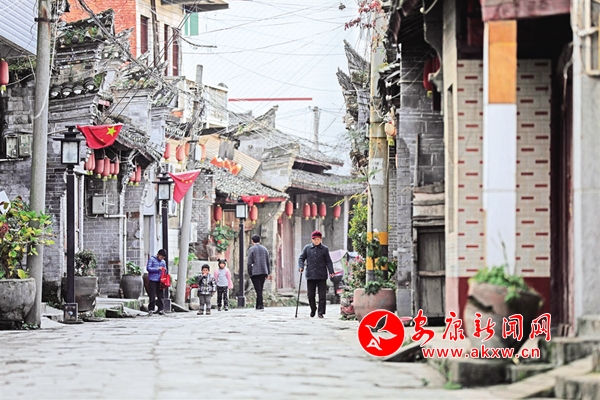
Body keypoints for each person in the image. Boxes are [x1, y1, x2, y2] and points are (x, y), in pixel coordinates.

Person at [298, 230, 334, 318]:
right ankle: (313, 309)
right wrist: (301, 266)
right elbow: (301, 258)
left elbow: (328, 261)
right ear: (312, 239)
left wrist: (331, 271)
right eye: (314, 239)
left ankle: (320, 312)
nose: (316, 241)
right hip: (310, 274)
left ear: (321, 239)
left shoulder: (324, 249)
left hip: (321, 275)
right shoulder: (307, 248)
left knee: (322, 295)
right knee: (310, 295)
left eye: (318, 239)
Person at [247, 234, 271, 311]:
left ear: (252, 241)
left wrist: (249, 272)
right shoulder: (265, 249)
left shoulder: (251, 249)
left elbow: (249, 262)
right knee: (260, 288)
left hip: (255, 272)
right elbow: (268, 261)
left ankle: (260, 305)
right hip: (263, 271)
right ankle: (258, 305)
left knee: (258, 289)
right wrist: (268, 272)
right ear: (259, 240)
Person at [146, 249, 167, 316]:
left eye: (163, 258)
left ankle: (161, 309)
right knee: (152, 295)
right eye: (161, 257)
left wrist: (164, 270)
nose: (162, 258)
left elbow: (165, 270)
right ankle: (151, 309)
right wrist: (158, 269)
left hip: (160, 281)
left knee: (160, 296)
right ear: (158, 254)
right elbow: (148, 268)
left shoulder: (163, 262)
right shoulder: (152, 259)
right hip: (153, 280)